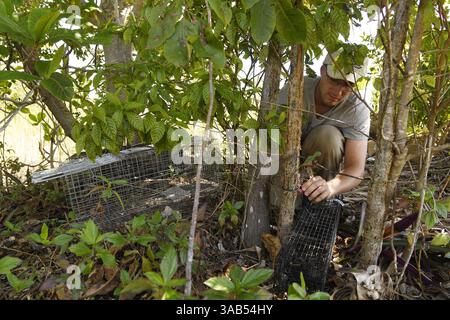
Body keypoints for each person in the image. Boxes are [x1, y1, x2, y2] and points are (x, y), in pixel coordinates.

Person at [278, 48, 370, 204]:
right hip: (285, 163)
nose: (338, 92)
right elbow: (270, 141)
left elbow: (355, 168)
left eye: (347, 85)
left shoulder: (357, 109)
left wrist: (331, 187)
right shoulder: (296, 89)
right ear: (322, 70)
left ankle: (316, 205)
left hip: (320, 175)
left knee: (327, 135)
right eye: (334, 81)